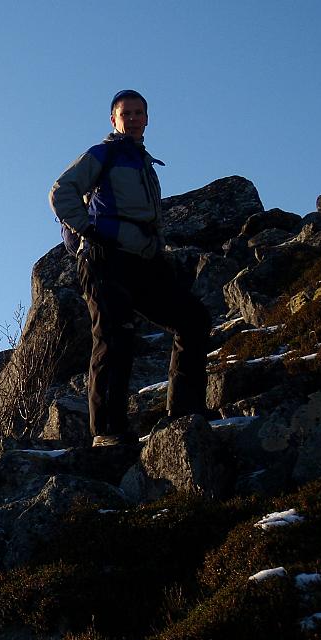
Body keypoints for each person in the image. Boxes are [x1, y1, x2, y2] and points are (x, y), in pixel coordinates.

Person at [49, 89, 211, 446]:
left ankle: (185, 412)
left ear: (147, 119)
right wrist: (89, 231)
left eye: (139, 113)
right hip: (105, 260)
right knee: (114, 336)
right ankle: (108, 432)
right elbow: (61, 191)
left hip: (143, 262)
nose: (134, 118)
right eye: (127, 113)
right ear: (114, 120)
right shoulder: (103, 154)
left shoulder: (144, 163)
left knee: (193, 318)